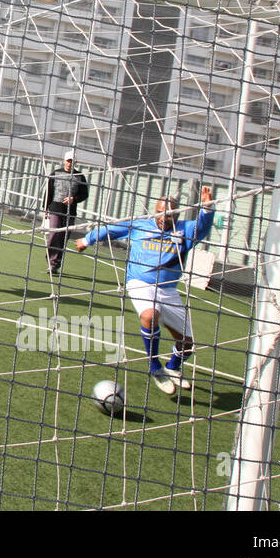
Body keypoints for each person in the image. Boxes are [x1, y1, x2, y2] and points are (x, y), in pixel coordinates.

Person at [75, 186, 215, 395]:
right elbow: (111, 229)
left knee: (187, 345)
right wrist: (87, 239)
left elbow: (203, 226)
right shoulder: (141, 225)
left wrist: (207, 207)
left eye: (167, 215)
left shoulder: (185, 230)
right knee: (150, 316)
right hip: (140, 283)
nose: (162, 218)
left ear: (176, 215)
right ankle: (155, 367)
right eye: (159, 213)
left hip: (168, 291)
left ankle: (173, 368)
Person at [42, 149, 89, 277]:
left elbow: (85, 194)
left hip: (70, 212)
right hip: (55, 209)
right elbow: (49, 192)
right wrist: (45, 209)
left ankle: (55, 264)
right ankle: (50, 260)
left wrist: (74, 199)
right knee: (53, 235)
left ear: (76, 162)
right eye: (68, 161)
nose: (70, 163)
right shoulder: (55, 173)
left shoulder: (80, 177)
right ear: (64, 161)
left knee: (63, 238)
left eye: (72, 161)